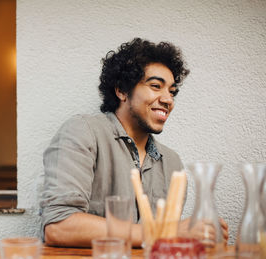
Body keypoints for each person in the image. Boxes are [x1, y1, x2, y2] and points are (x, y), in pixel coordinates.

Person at [39, 38, 228, 247]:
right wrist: (168, 232)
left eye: (172, 92)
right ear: (121, 90)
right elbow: (58, 226)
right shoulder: (83, 132)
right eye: (156, 86)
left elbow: (161, 248)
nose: (168, 100)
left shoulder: (173, 163)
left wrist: (199, 235)